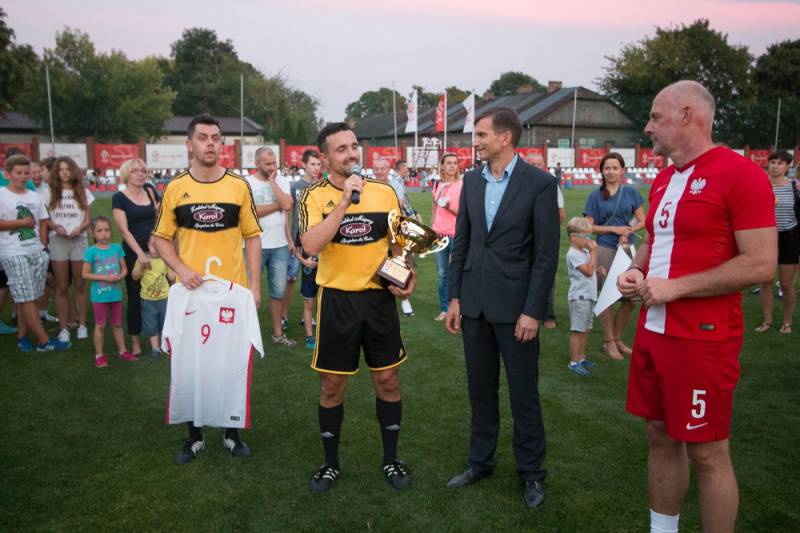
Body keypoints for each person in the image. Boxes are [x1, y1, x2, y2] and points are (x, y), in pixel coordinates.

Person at [617, 81, 776, 533]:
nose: (648, 127)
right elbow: (656, 240)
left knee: (707, 450)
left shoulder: (740, 174)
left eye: (656, 117)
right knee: (658, 434)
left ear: (688, 115)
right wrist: (637, 270)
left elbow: (761, 263)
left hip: (703, 337)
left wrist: (677, 288)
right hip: (654, 329)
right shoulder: (665, 178)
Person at [445, 107, 559, 509]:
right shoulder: (471, 181)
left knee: (523, 395)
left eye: (481, 135)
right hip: (474, 306)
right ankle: (480, 462)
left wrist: (533, 311)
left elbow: (545, 256)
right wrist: (455, 298)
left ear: (505, 137)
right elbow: (463, 242)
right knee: (480, 392)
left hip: (516, 311)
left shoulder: (540, 183)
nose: (474, 141)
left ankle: (531, 473)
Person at [299, 122, 416, 492]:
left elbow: (398, 246)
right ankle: (330, 463)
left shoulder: (384, 192)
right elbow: (311, 246)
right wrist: (344, 202)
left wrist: (406, 275)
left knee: (388, 380)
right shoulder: (312, 196)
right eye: (341, 149)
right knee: (332, 385)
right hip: (337, 300)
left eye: (353, 146)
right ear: (324, 158)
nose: (351, 154)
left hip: (378, 300)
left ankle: (391, 459)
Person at [152, 114, 262, 465]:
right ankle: (194, 435)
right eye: (203, 137)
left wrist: (254, 286)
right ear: (190, 144)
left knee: (231, 365)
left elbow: (252, 236)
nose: (211, 143)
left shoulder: (238, 186)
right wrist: (181, 270)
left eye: (216, 137)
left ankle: (232, 433)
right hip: (192, 295)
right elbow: (160, 238)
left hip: (231, 293)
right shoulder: (175, 188)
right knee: (191, 365)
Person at [0, 155, 69, 352]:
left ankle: (22, 337)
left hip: (36, 251)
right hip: (13, 252)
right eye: (18, 173)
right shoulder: (2, 195)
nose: (23, 177)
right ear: (8, 174)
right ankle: (44, 341)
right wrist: (21, 223)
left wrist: (43, 247)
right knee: (26, 297)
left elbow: (43, 222)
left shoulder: (34, 196)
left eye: (26, 173)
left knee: (31, 296)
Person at [583, 152, 645, 360]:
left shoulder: (631, 193)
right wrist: (614, 229)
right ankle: (609, 342)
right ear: (602, 171)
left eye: (615, 168)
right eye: (607, 168)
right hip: (604, 249)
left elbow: (643, 220)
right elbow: (589, 227)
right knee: (606, 298)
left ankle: (617, 339)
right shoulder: (595, 196)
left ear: (622, 171)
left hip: (627, 250)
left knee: (631, 299)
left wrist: (629, 230)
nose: (611, 172)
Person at [245, 147, 296, 347]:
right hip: (252, 245)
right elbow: (251, 212)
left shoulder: (281, 180)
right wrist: (278, 205)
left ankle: (277, 334)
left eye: (274, 163)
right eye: (267, 164)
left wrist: (273, 182)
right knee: (250, 292)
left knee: (278, 292)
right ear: (257, 163)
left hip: (279, 245)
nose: (272, 167)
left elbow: (288, 206)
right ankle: (248, 336)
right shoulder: (247, 183)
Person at [112, 158, 160, 357]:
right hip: (134, 253)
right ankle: (135, 341)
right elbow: (124, 231)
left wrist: (156, 241)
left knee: (158, 292)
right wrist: (140, 254)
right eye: (135, 171)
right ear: (126, 174)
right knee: (135, 297)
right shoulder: (119, 198)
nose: (140, 174)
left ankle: (159, 338)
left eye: (143, 170)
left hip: (155, 251)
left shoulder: (149, 190)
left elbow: (158, 217)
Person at [46, 156, 94, 344]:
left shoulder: (82, 191)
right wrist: (55, 227)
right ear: (56, 172)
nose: (64, 172)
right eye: (61, 169)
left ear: (73, 170)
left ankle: (82, 325)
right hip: (58, 241)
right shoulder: (50, 191)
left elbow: (87, 219)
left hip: (78, 240)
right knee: (62, 287)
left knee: (80, 285)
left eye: (67, 169)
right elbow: (45, 218)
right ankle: (64, 328)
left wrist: (79, 229)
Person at [755, 150, 798, 334]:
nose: (775, 166)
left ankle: (787, 322)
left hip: (789, 237)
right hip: (766, 237)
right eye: (773, 162)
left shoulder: (795, 187)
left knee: (786, 285)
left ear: (787, 166)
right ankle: (767, 321)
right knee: (766, 282)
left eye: (780, 163)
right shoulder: (760, 185)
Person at [82, 216, 133, 367]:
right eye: (99, 231)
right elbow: (85, 274)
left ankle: (122, 351)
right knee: (100, 325)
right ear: (93, 233)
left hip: (115, 293)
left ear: (111, 231)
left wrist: (120, 276)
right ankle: (99, 355)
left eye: (106, 230)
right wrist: (104, 277)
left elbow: (124, 269)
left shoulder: (117, 248)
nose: (104, 233)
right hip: (99, 295)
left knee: (117, 324)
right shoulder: (91, 251)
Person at [282, 149, 322, 332]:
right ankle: (283, 316)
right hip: (296, 242)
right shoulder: (295, 187)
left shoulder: (321, 187)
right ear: (304, 165)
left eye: (318, 164)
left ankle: (308, 317)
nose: (316, 168)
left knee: (315, 280)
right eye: (312, 164)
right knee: (290, 279)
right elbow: (287, 214)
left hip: (314, 243)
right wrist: (289, 239)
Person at [525, 152, 564, 329]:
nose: (535, 167)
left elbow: (560, 214)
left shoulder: (551, 184)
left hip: (544, 239)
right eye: (531, 164)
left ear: (544, 166)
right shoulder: (518, 184)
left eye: (538, 164)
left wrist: (543, 230)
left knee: (545, 274)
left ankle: (548, 315)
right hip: (522, 239)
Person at [564, 217, 602, 376]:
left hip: (589, 296)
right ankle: (573, 362)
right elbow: (588, 271)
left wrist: (598, 270)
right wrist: (594, 253)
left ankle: (581, 358)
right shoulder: (573, 254)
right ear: (574, 237)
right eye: (586, 236)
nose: (589, 240)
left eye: (590, 236)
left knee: (586, 329)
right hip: (579, 297)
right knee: (578, 330)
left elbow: (591, 270)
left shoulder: (585, 252)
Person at [430, 153, 463, 321]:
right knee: (443, 274)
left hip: (457, 236)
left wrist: (449, 206)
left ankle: (459, 309)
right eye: (448, 163)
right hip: (439, 236)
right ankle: (444, 308)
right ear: (442, 166)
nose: (452, 166)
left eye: (455, 163)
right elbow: (434, 207)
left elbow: (465, 214)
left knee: (458, 273)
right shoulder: (437, 184)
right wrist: (432, 226)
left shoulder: (462, 185)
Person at [131, 236, 175, 360]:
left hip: (164, 298)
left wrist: (171, 262)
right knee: (151, 324)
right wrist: (140, 267)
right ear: (147, 245)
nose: (155, 248)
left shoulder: (164, 259)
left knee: (165, 322)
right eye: (152, 245)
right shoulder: (143, 259)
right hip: (147, 300)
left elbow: (171, 277)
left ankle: (166, 345)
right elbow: (134, 277)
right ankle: (155, 348)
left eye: (158, 246)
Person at [384, 159, 416, 316]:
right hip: (391, 226)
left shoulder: (396, 181)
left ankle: (404, 297)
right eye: (377, 168)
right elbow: (401, 204)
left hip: (395, 226)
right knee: (397, 260)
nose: (379, 171)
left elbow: (403, 204)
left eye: (382, 168)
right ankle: (402, 298)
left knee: (399, 260)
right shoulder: (395, 182)